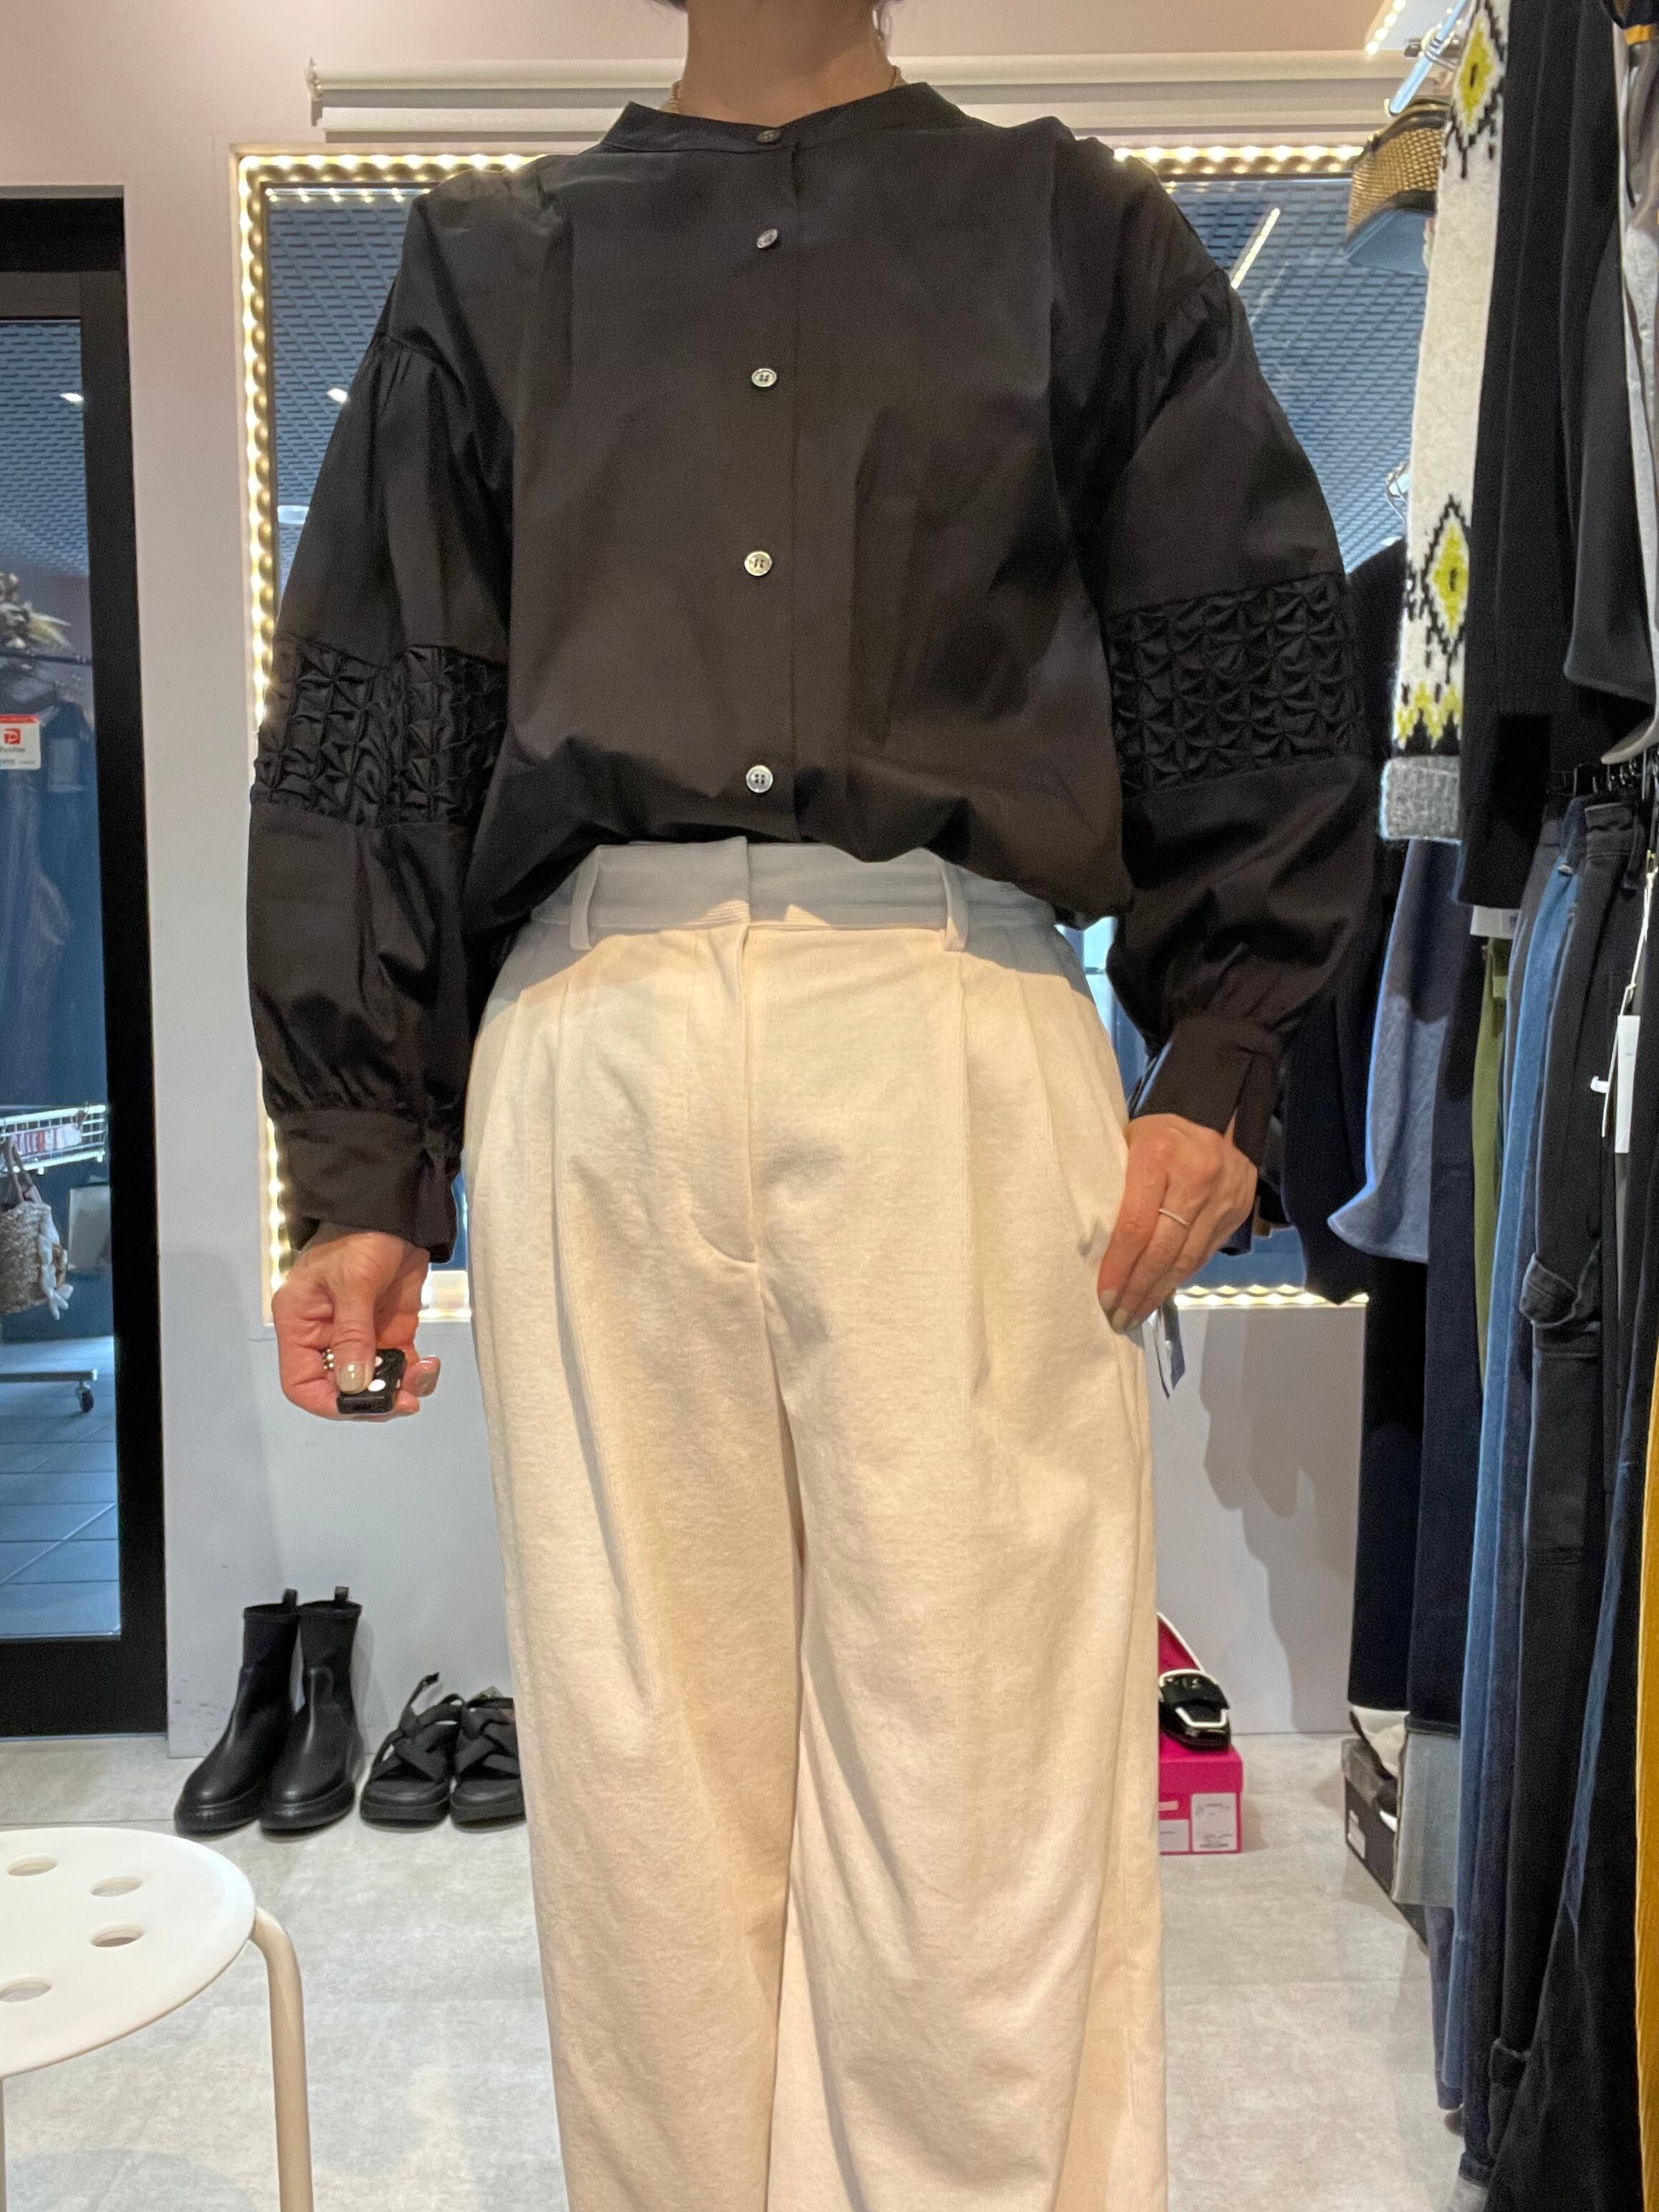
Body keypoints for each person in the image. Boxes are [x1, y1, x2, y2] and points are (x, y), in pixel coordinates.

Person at [246, 2, 1375, 2203]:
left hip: (953, 1017)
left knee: (981, 1772)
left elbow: (1237, 655)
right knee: (638, 1770)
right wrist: (361, 1151)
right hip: (598, 1033)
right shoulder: (493, 263)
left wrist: (1225, 1046)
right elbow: (385, 723)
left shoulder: (1078, 234)